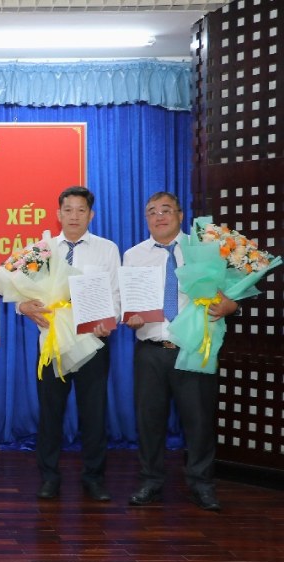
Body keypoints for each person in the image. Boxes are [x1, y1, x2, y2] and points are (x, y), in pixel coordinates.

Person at [124, 192, 236, 511]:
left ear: (180, 214)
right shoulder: (133, 255)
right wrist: (128, 316)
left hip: (194, 348)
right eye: (152, 211)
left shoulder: (204, 250)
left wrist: (230, 306)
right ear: (146, 218)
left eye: (166, 210)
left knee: (199, 421)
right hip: (150, 351)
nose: (159, 216)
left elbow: (228, 293)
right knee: (149, 422)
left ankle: (201, 484)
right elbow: (125, 300)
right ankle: (150, 482)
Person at [18, 186, 120, 502]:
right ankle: (49, 477)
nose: (74, 216)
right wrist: (23, 306)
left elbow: (116, 294)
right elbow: (21, 292)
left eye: (81, 210)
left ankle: (94, 478)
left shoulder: (107, 249)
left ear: (91, 214)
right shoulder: (42, 249)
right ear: (58, 214)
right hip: (53, 343)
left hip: (93, 342)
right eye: (68, 209)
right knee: (51, 414)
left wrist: (110, 321)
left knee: (94, 414)